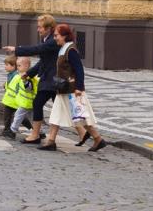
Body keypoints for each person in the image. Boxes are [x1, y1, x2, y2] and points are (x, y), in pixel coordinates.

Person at [3, 14, 84, 144]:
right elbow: (43, 61)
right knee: (63, 107)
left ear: (48, 28)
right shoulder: (47, 39)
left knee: (43, 104)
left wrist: (17, 49)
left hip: (53, 80)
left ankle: (38, 135)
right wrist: (28, 73)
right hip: (50, 79)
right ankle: (86, 135)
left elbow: (38, 49)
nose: (38, 30)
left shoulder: (53, 40)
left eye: (40, 27)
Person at [38, 24, 107, 152]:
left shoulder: (71, 50)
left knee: (80, 117)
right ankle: (51, 141)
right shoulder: (63, 48)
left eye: (56, 35)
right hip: (63, 89)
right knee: (56, 115)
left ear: (64, 36)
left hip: (72, 90)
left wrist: (79, 88)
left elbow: (79, 70)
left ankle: (98, 139)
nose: (55, 38)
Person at [0, 55, 32, 139]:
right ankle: (34, 129)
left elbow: (19, 88)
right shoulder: (11, 75)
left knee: (8, 117)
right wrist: (5, 85)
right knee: (21, 117)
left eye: (7, 65)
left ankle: (8, 131)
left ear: (13, 66)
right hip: (13, 100)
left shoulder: (17, 76)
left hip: (13, 100)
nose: (5, 67)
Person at [9, 57, 38, 136]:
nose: (17, 67)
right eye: (17, 65)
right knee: (32, 119)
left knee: (18, 116)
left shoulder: (28, 77)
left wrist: (25, 80)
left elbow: (29, 89)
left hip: (26, 103)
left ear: (27, 66)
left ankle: (12, 130)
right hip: (29, 102)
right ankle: (40, 132)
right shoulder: (22, 75)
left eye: (19, 66)